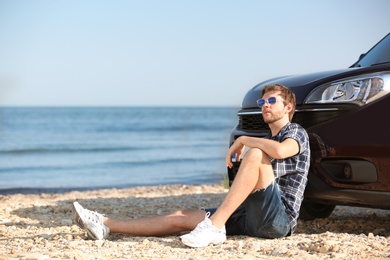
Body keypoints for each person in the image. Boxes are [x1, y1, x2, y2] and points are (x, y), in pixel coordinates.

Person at [72, 84, 310, 248]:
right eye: (262, 101)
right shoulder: (264, 138)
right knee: (181, 216)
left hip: (279, 222)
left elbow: (280, 151)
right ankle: (105, 224)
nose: (264, 105)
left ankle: (214, 227)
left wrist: (243, 140)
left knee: (256, 152)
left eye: (271, 101)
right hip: (250, 217)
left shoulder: (295, 132)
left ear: (288, 107)